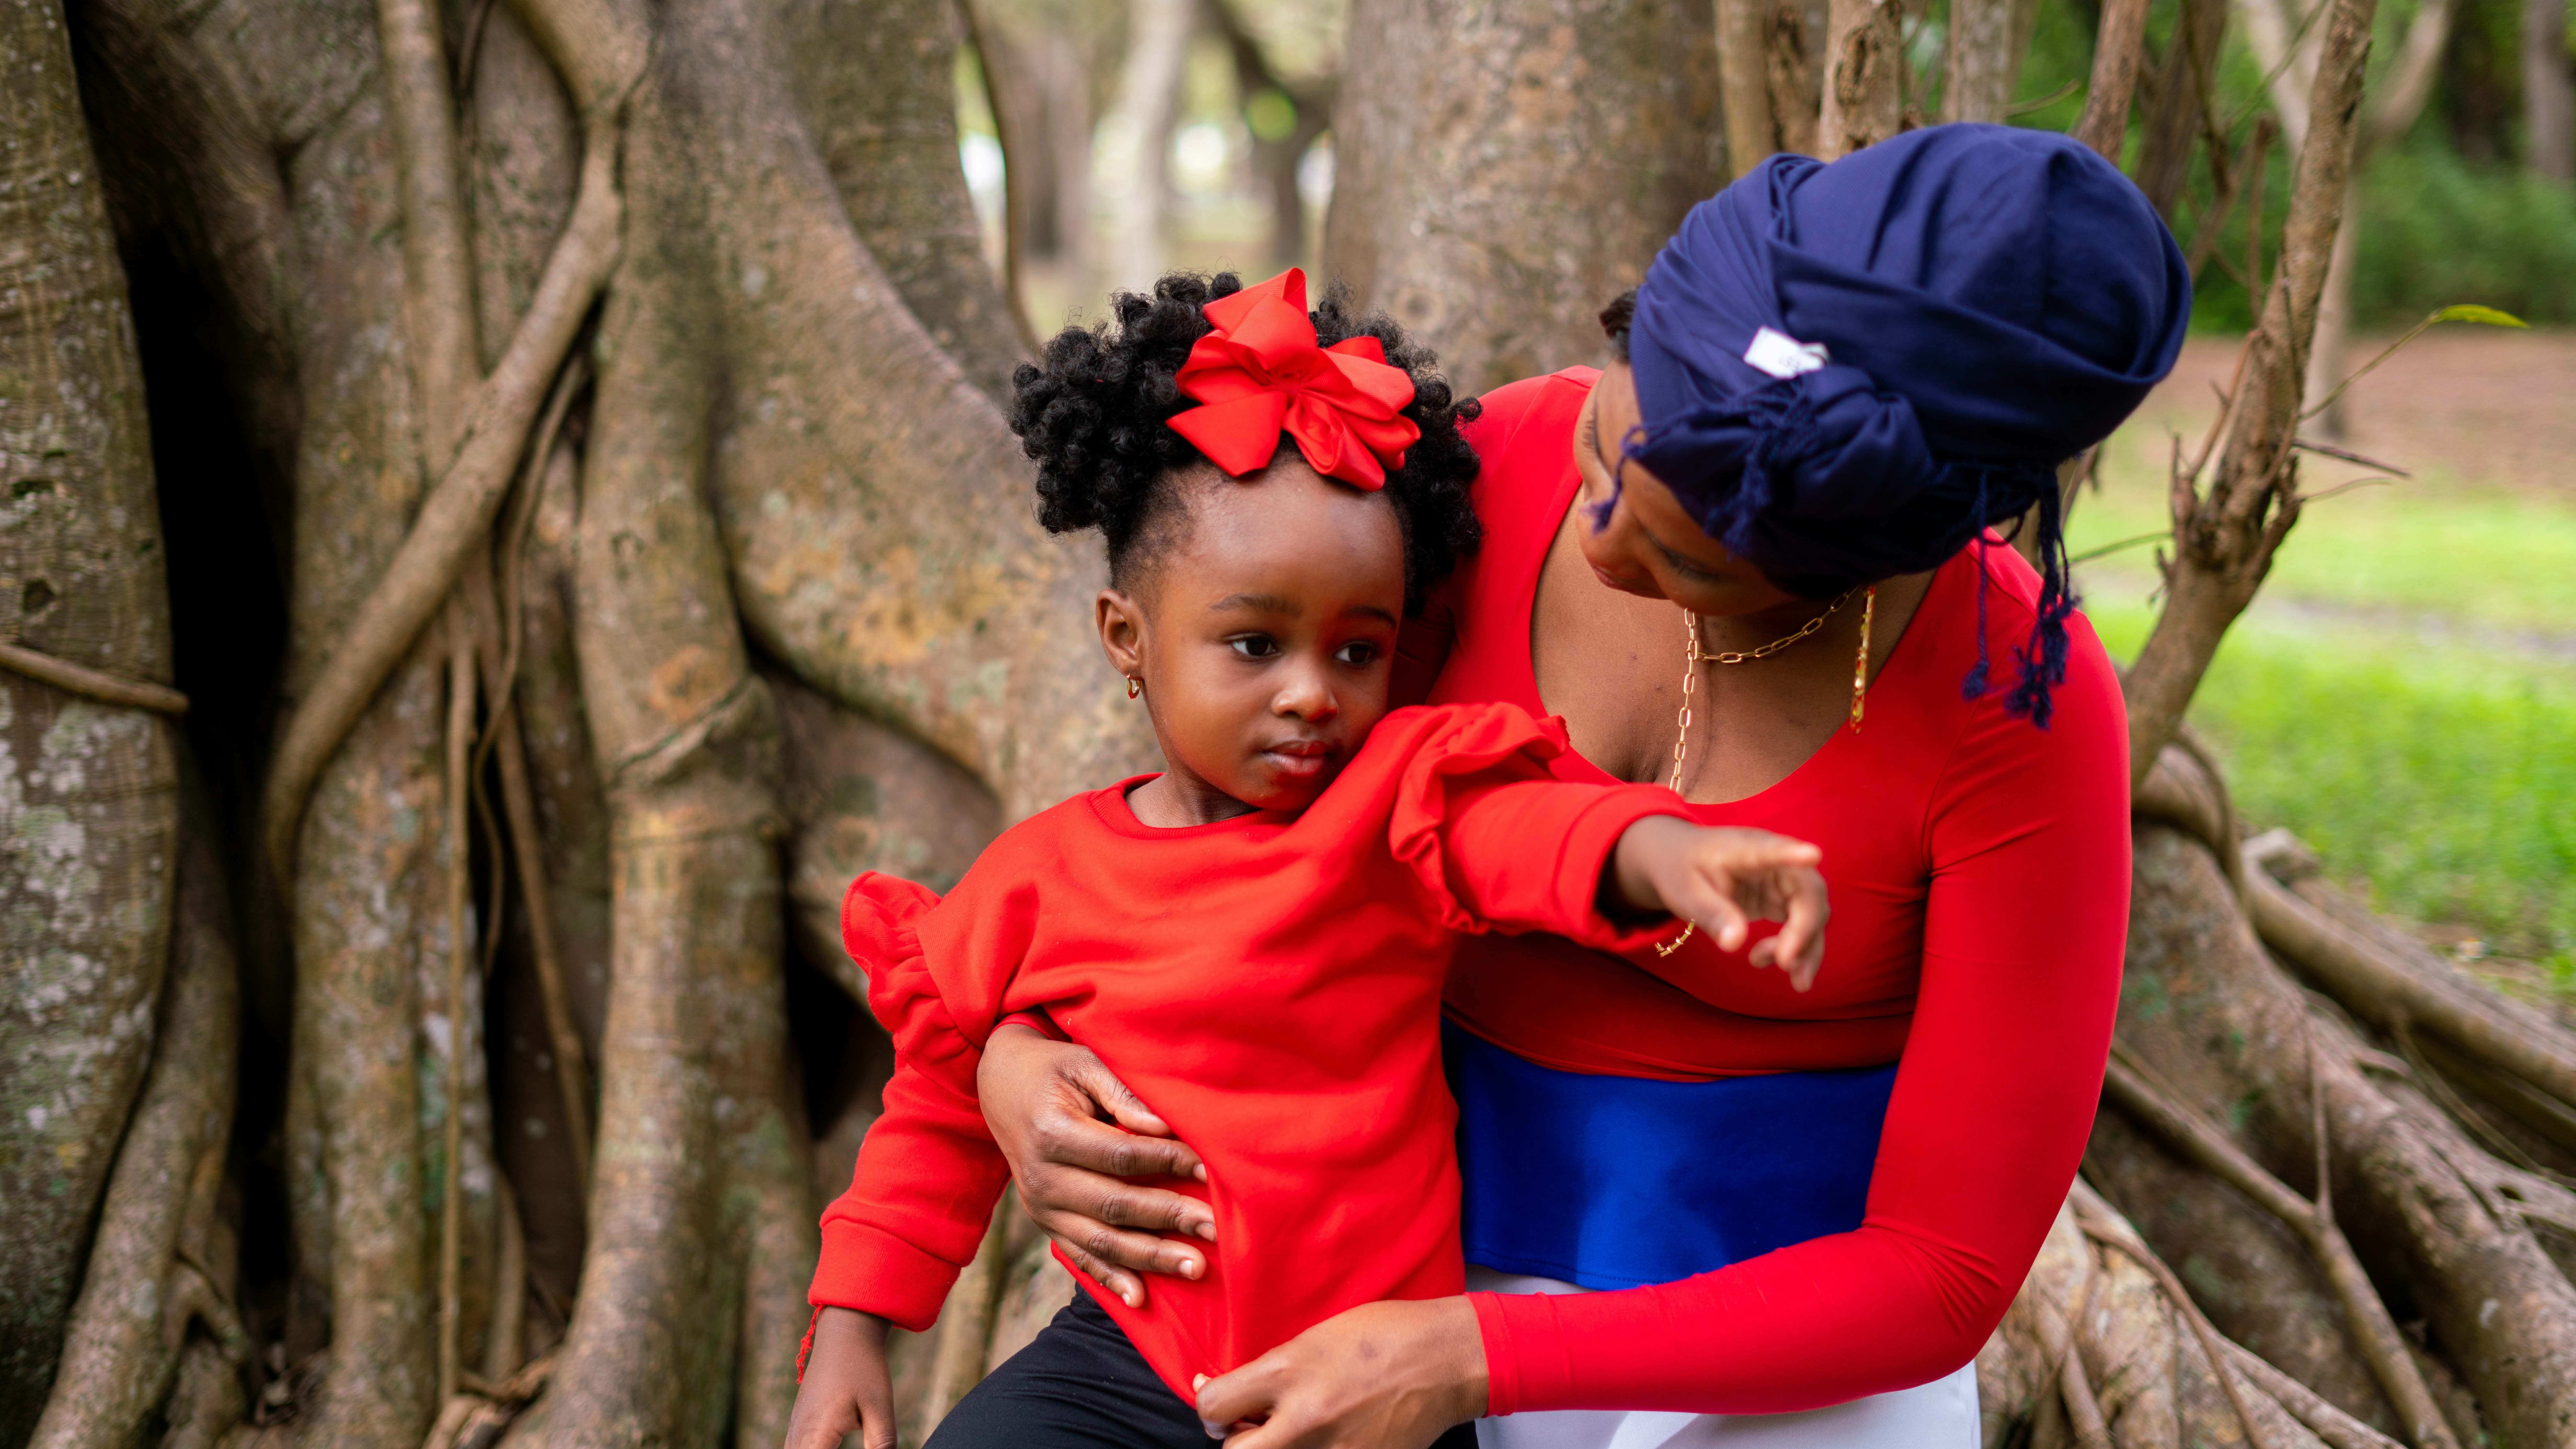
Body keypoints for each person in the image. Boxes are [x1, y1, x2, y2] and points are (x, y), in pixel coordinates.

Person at [973, 124, 2190, 1448]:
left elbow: (1939, 1270)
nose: (1598, 543)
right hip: (1352, 1252)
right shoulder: (1488, 467)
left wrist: (1472, 1355)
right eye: (1608, 457)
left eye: (1691, 565)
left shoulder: (2021, 704)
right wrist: (1012, 1056)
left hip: (1773, 1351)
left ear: (1855, 568)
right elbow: (1209, 829)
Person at [783, 268, 1837, 1449]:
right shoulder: (1036, 876)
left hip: (1376, 1378)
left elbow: (1529, 833)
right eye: (1252, 643)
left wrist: (1661, 854)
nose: (1309, 695)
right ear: (1126, 636)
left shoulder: (1396, 800)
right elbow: (934, 1112)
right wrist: (852, 1336)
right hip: (1127, 1355)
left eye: (1357, 649)